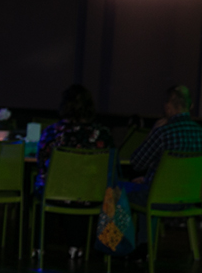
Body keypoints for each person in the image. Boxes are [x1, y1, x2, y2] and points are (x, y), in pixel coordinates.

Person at [35, 84, 113, 258]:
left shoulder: (52, 132)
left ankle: (39, 245)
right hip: (91, 195)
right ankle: (76, 245)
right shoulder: (103, 134)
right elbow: (109, 166)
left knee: (45, 186)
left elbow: (41, 163)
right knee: (80, 189)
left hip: (55, 192)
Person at [125, 85, 202, 256]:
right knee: (148, 190)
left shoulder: (162, 133)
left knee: (120, 193)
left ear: (168, 107)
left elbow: (136, 162)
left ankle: (129, 247)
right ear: (190, 106)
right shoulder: (200, 133)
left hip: (159, 198)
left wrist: (151, 133)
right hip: (191, 198)